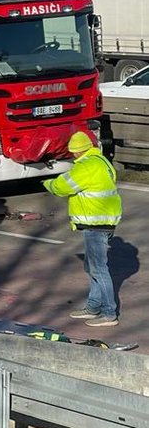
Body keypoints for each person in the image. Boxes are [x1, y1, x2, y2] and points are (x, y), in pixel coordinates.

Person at [43, 131, 122, 327]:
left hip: (95, 225)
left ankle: (109, 313)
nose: (72, 156)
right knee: (92, 267)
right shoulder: (102, 161)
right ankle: (93, 307)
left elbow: (63, 186)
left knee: (99, 269)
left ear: (78, 151)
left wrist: (48, 183)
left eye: (73, 152)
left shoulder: (86, 166)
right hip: (105, 222)